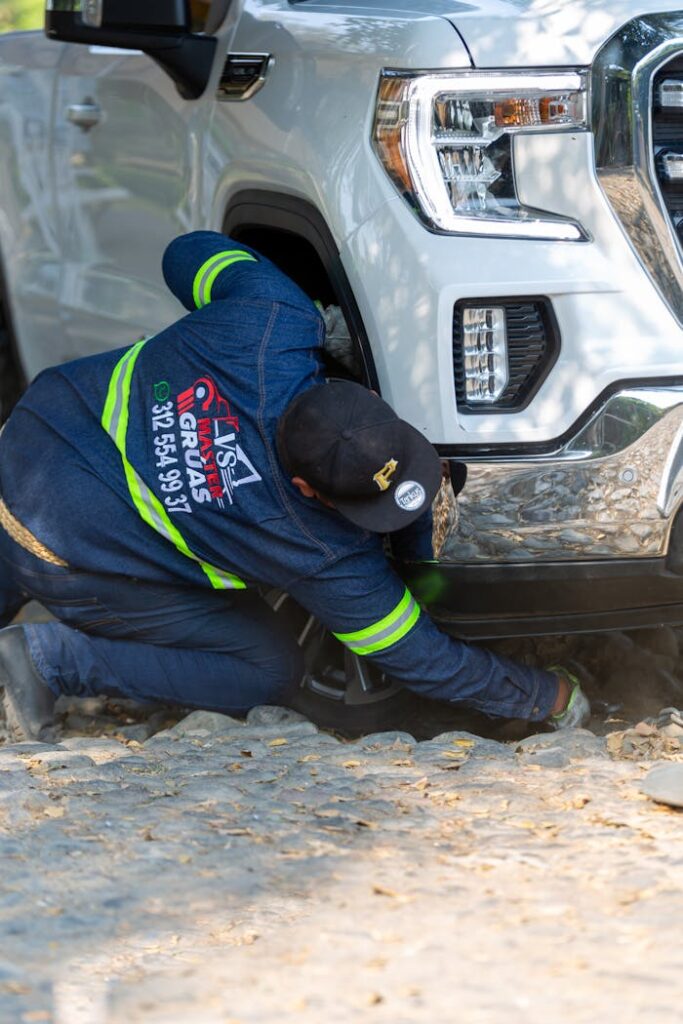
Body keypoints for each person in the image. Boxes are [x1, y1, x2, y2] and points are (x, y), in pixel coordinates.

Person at [0, 232, 589, 742]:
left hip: (30, 433)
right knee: (268, 667)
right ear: (307, 489)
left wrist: (295, 313)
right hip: (54, 550)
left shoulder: (270, 323)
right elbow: (420, 658)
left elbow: (187, 252)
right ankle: (44, 661)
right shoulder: (316, 546)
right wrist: (548, 697)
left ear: (373, 402)